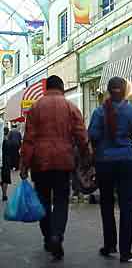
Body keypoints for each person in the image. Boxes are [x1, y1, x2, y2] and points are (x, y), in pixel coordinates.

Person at [20, 75, 89, 261]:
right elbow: (81, 135)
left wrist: (24, 164)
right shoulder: (70, 107)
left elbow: (28, 139)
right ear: (62, 89)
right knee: (60, 200)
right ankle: (57, 234)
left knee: (42, 200)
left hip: (39, 163)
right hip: (63, 161)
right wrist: (86, 156)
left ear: (46, 88)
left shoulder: (35, 108)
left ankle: (48, 236)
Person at [88, 76, 132, 263]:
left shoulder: (99, 112)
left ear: (108, 90)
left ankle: (109, 245)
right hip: (127, 162)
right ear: (125, 90)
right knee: (127, 207)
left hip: (104, 162)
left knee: (106, 204)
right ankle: (126, 252)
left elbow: (93, 136)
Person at [1, 127, 11, 201]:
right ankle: (4, 194)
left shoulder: (2, 141)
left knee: (2, 179)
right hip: (6, 162)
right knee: (5, 179)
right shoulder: (7, 141)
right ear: (8, 133)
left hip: (1, 161)